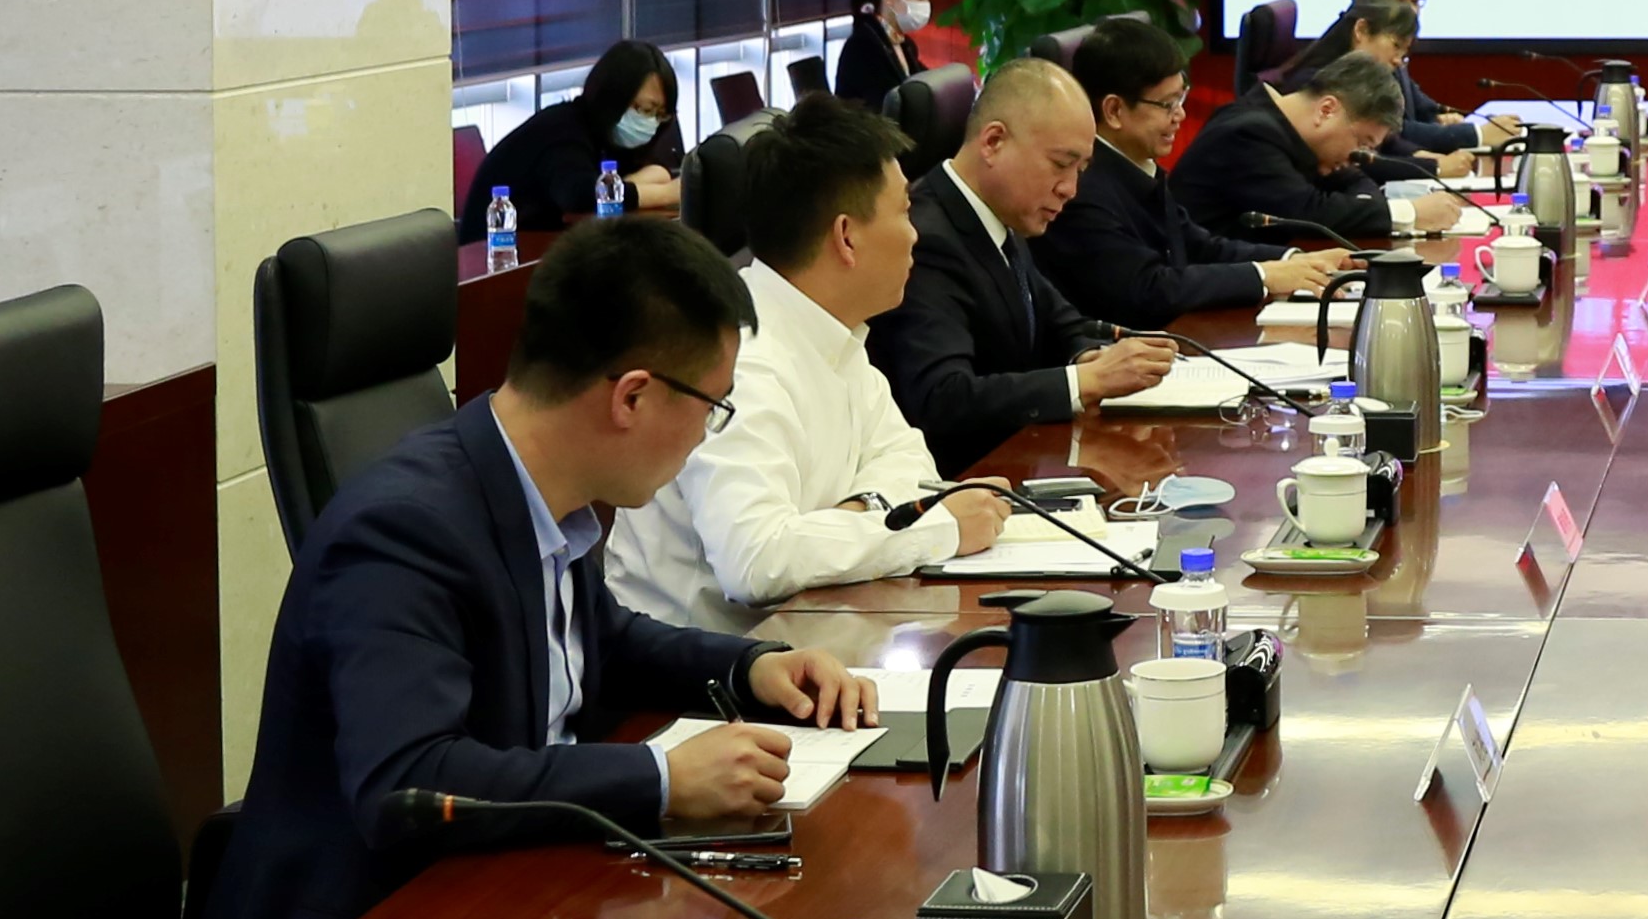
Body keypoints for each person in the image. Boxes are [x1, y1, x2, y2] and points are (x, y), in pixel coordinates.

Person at [193, 218, 878, 919]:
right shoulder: (402, 531)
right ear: (632, 398)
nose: (704, 437)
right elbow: (408, 783)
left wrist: (751, 668)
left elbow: (601, 640)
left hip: (512, 893)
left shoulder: (540, 490)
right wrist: (660, 779)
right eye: (712, 407)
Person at [606, 99, 1007, 634]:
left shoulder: (834, 332)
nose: (917, 234)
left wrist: (855, 513)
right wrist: (932, 530)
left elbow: (912, 466)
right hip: (698, 669)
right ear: (846, 237)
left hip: (808, 638)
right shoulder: (741, 359)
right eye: (905, 210)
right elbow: (756, 562)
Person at [872, 58, 1180, 465]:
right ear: (993, 142)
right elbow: (943, 397)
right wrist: (1084, 381)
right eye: (1061, 164)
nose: (1070, 189)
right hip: (967, 478)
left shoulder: (1001, 212)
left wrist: (1089, 356)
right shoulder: (926, 240)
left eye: (1081, 169)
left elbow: (1059, 321)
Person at [1041, 13, 1355, 327]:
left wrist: (1295, 261)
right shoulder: (1080, 189)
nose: (1180, 115)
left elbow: (1198, 245)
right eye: (1167, 104)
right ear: (1114, 110)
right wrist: (1264, 276)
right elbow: (1146, 289)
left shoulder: (1137, 165)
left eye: (1182, 98)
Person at [1175, 44, 1457, 248]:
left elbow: (1354, 179)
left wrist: (1362, 208)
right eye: (1361, 142)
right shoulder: (1248, 135)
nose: (1358, 156)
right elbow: (1307, 213)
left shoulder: (1297, 134)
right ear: (1326, 110)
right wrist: (1409, 213)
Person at [460, 40, 683, 245]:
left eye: (660, 115)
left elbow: (652, 172)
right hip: (495, 256)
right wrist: (665, 193)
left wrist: (631, 185)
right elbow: (579, 196)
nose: (650, 123)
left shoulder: (608, 136)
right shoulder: (561, 130)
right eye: (645, 110)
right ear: (612, 97)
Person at [1321, 0, 1516, 163]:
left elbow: (1390, 138)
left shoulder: (1379, 71)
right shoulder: (1323, 82)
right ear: (1362, 30)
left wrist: (1427, 146)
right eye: (1395, 46)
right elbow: (1362, 161)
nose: (1398, 61)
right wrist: (1436, 166)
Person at [833, 0, 941, 105]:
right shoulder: (862, 47)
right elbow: (886, 103)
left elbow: (927, 85)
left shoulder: (906, 44)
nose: (926, 6)